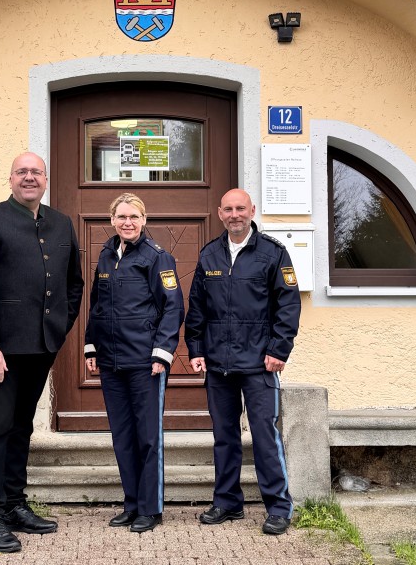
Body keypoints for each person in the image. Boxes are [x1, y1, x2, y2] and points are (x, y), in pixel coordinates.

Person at [0, 152, 83, 553]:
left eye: (36, 172)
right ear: (11, 178)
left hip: (42, 346)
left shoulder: (61, 223)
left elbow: (73, 284)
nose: (29, 178)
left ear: (45, 179)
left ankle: (14, 504)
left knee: (22, 427)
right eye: (22, 172)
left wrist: (60, 330)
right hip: (1, 350)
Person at [185, 189, 301, 535]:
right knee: (224, 436)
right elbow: (197, 310)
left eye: (240, 208)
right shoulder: (209, 255)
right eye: (228, 209)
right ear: (220, 214)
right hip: (218, 363)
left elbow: (289, 305)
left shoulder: (273, 253)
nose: (235, 215)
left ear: (252, 210)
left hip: (260, 364)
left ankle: (279, 507)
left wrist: (279, 350)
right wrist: (195, 350)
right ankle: (227, 501)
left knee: (265, 435)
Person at [84, 193, 184, 533]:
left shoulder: (158, 257)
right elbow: (96, 305)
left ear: (144, 220)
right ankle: (131, 504)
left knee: (148, 437)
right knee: (122, 436)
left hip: (146, 364)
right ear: (112, 220)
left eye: (134, 217)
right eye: (121, 216)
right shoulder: (106, 256)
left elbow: (173, 308)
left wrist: (162, 352)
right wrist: (90, 346)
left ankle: (150, 508)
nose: (128, 222)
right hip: (111, 363)